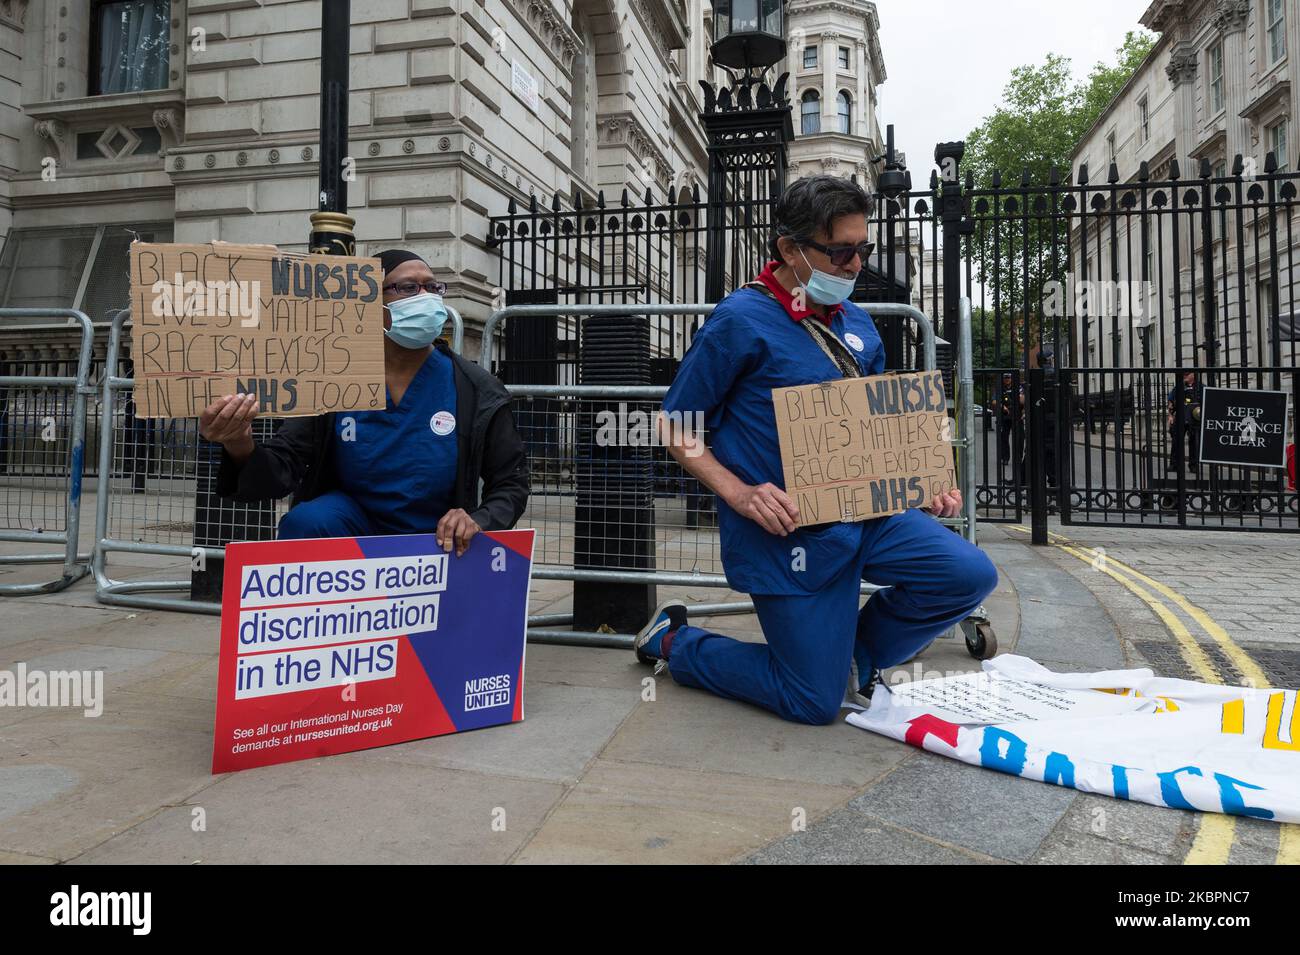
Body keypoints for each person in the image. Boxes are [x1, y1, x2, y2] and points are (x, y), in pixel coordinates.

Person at [634, 175, 998, 726]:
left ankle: (853, 657)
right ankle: (675, 642)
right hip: (790, 535)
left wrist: (920, 485)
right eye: (840, 252)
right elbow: (675, 425)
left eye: (863, 248)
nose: (856, 265)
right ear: (789, 249)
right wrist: (738, 492)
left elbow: (876, 429)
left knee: (968, 575)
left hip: (869, 517)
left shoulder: (859, 324)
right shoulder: (739, 320)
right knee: (811, 703)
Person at [199, 249, 529, 554]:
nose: (426, 298)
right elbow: (282, 468)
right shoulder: (334, 381)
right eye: (409, 288)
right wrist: (238, 442)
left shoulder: (476, 389)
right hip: (350, 526)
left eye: (433, 287)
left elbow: (511, 483)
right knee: (307, 521)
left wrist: (479, 520)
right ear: (371, 304)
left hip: (439, 538)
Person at [1166, 370, 1203, 473]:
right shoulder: (1179, 387)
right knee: (1176, 442)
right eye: (1184, 375)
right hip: (1180, 417)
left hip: (1195, 419)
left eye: (1187, 374)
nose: (1185, 376)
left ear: (1193, 374)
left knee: (1194, 442)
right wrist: (1170, 416)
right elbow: (1170, 401)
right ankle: (1174, 465)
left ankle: (1193, 465)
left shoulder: (1201, 387)